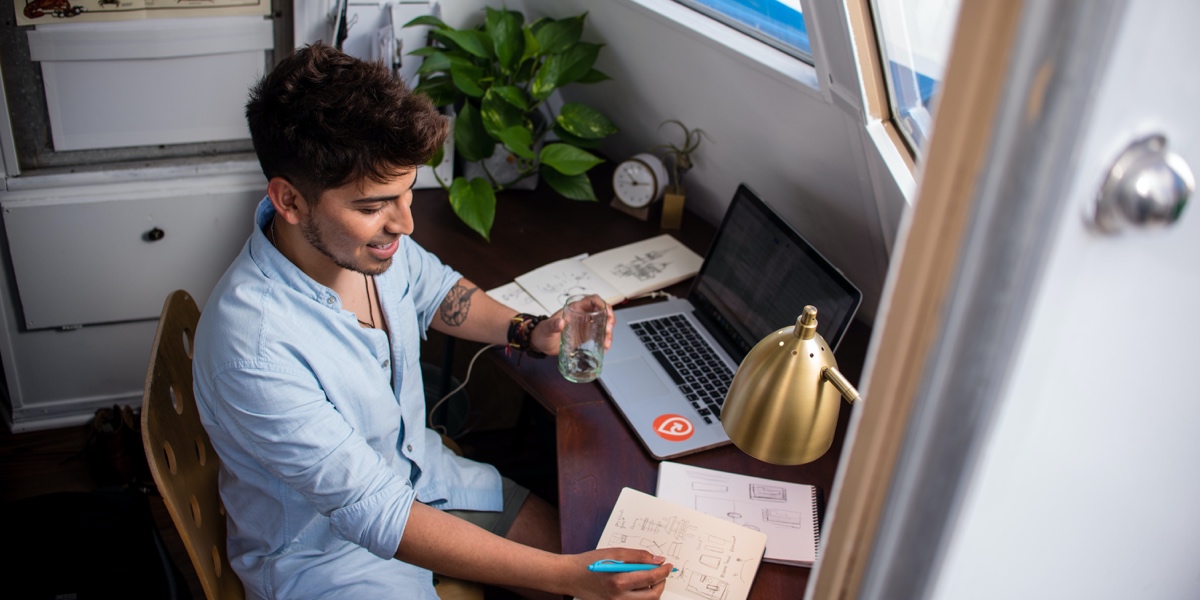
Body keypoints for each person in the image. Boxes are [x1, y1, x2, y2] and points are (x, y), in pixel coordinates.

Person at [192, 42, 672, 600]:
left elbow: (435, 289)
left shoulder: (364, 246)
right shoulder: (253, 349)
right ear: (290, 201)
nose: (405, 224)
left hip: (427, 477)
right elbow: (376, 512)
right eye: (373, 206)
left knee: (584, 544)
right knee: (574, 577)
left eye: (408, 194)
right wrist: (570, 578)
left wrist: (529, 330)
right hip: (329, 559)